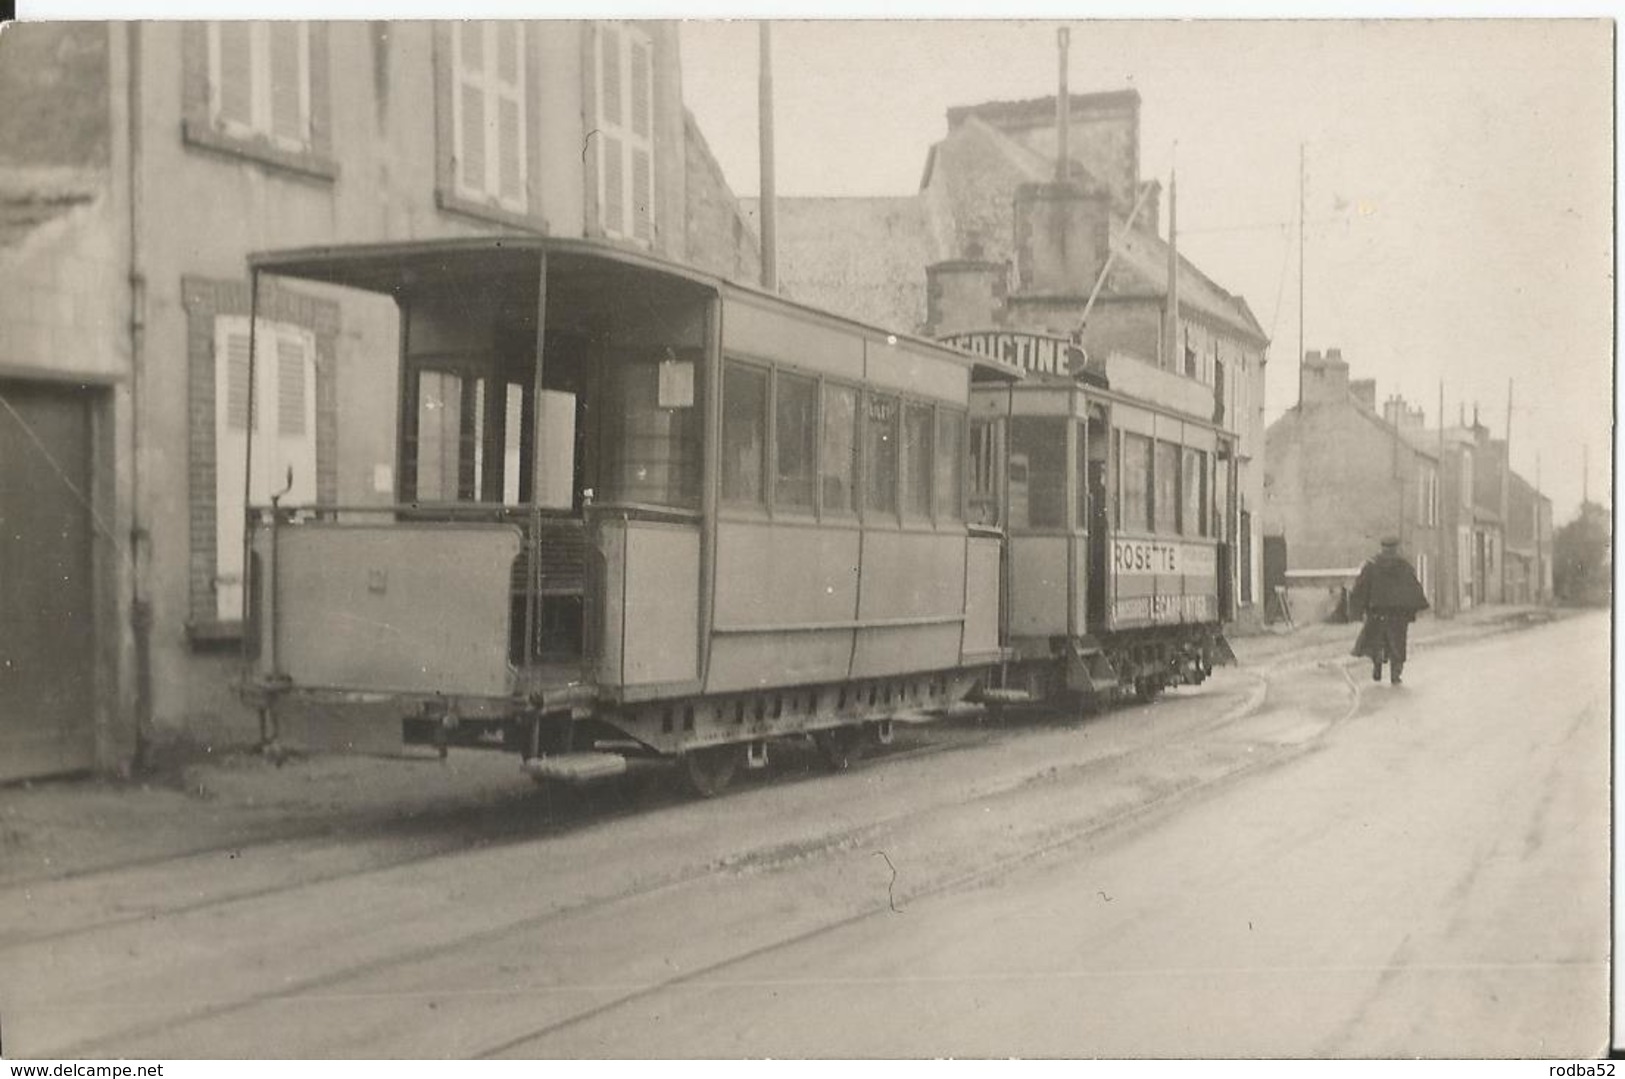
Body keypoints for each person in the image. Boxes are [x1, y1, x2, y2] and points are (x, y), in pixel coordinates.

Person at [1349, 536, 1430, 684]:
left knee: (1377, 640)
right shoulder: (1404, 566)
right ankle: (1395, 673)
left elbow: (1361, 588)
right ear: (1396, 548)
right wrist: (1417, 607)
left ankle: (1377, 665)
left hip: (1377, 612)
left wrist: (1357, 609)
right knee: (1397, 644)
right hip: (1398, 615)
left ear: (1382, 548)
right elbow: (1413, 588)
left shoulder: (1372, 566)